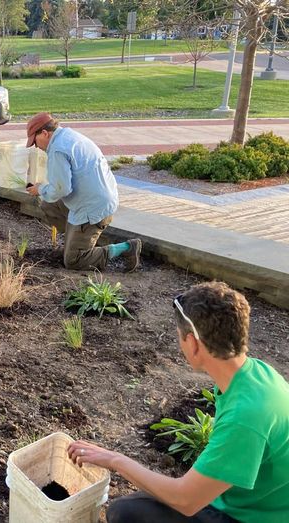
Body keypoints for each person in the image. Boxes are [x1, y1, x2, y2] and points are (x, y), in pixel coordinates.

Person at [68, 281, 289, 523]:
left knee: (127, 513)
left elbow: (186, 501)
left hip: (249, 518)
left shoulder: (246, 417)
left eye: (180, 338)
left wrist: (115, 460)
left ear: (193, 344)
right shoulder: (257, 374)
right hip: (258, 504)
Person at [25, 112, 141, 272]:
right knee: (49, 205)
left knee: (73, 261)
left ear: (45, 133)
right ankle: (77, 241)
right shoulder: (68, 136)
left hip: (92, 208)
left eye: (35, 142)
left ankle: (127, 248)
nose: (36, 147)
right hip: (100, 198)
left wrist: (40, 188)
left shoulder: (57, 150)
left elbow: (62, 188)